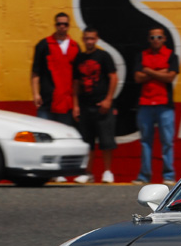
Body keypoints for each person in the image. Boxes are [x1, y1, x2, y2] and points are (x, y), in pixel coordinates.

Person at [133, 26, 179, 185]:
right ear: (149, 39)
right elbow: (137, 78)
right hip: (145, 104)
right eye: (152, 37)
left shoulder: (171, 55)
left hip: (164, 105)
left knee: (167, 142)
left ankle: (169, 175)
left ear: (164, 39)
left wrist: (148, 70)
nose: (156, 40)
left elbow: (170, 78)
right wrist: (160, 72)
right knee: (145, 141)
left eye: (159, 37)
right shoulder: (142, 55)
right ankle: (144, 176)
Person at [72, 27, 118, 184]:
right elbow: (76, 83)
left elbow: (113, 77)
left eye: (92, 38)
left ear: (96, 39)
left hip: (102, 105)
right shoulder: (79, 58)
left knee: (106, 141)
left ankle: (108, 171)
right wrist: (76, 105)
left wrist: (108, 100)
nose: (89, 41)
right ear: (83, 39)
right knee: (87, 142)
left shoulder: (104, 56)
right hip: (85, 105)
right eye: (87, 38)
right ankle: (88, 173)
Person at [31, 12, 80, 126]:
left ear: (69, 26)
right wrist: (35, 94)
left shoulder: (75, 47)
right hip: (47, 101)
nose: (62, 26)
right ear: (55, 25)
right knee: (44, 133)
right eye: (59, 24)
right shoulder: (43, 45)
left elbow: (77, 78)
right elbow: (35, 72)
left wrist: (76, 104)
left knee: (65, 134)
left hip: (67, 103)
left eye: (65, 24)